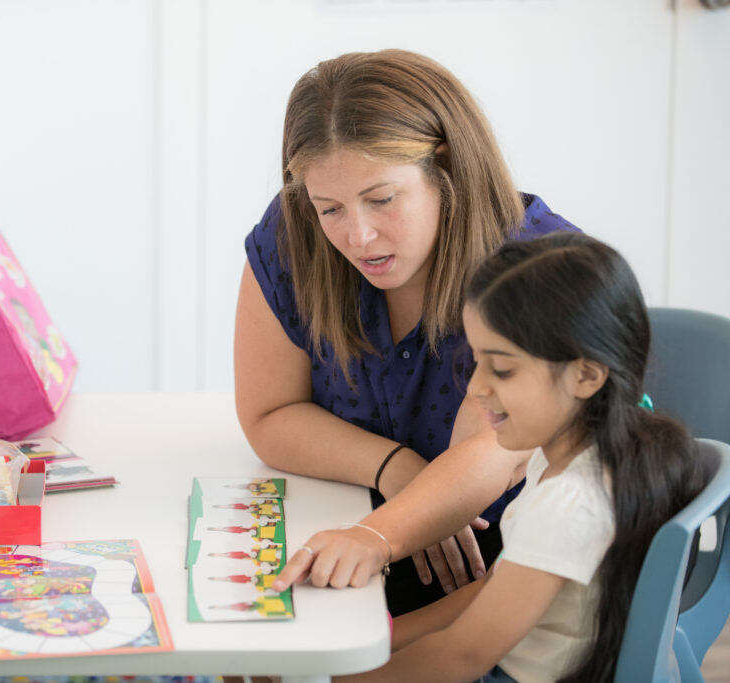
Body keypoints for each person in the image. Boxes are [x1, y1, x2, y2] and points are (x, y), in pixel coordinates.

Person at [235, 48, 580, 614]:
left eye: (382, 200)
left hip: (514, 561)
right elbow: (270, 414)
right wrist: (397, 469)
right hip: (359, 529)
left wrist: (380, 533)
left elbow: (495, 449)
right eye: (330, 208)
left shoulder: (538, 266)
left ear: (447, 168)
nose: (358, 236)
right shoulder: (293, 231)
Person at [279, 232, 706, 682]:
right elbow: (486, 593)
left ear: (586, 376)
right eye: (477, 361)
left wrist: (332, 679)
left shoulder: (570, 503)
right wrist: (375, 642)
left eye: (501, 369)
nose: (477, 387)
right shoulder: (575, 455)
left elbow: (462, 657)